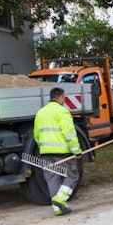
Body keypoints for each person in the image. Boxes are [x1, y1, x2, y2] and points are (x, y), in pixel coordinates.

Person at [33, 87, 82, 216]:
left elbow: (36, 135)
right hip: (61, 151)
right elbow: (69, 133)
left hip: (45, 152)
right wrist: (76, 150)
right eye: (64, 97)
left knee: (52, 178)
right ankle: (59, 199)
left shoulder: (40, 113)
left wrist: (43, 148)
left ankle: (58, 208)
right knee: (72, 176)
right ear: (60, 97)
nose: (64, 100)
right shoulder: (62, 112)